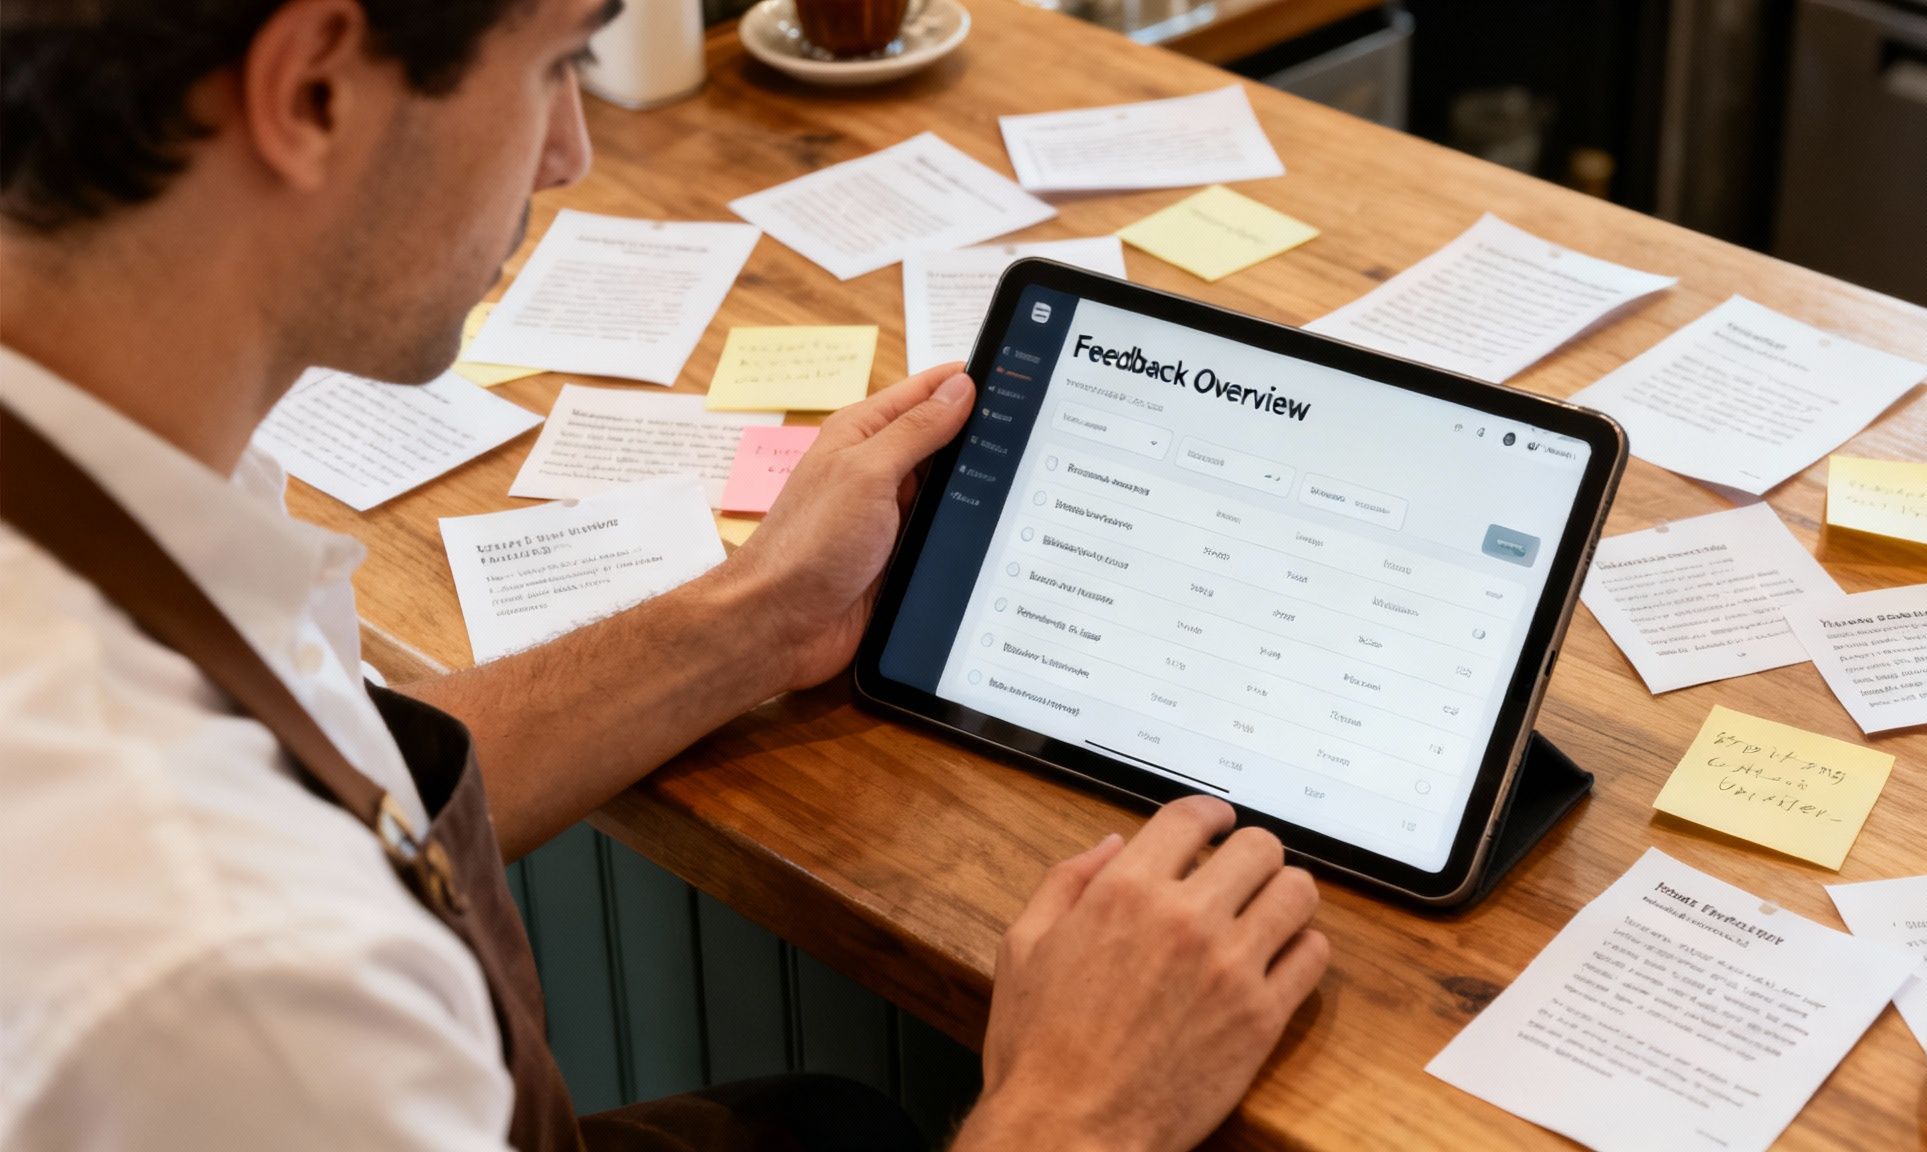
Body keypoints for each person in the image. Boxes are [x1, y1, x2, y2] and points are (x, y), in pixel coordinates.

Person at [0, 2, 1330, 1150]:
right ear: (314, 92)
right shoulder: (216, 972)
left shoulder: (121, 437)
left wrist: (754, 621)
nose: (570, 152)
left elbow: (338, 773)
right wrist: (1084, 1110)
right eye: (553, 66)